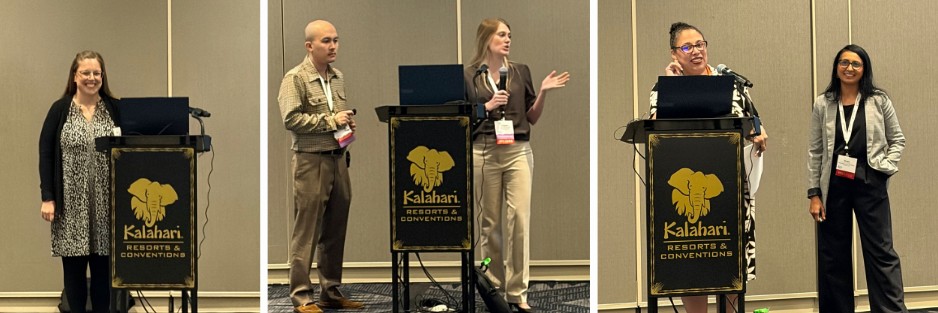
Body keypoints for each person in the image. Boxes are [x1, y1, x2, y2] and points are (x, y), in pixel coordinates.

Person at [649, 22, 767, 312]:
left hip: (732, 190)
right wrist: (672, 86)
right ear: (674, 53)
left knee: (729, 258)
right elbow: (654, 126)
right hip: (688, 199)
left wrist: (759, 133)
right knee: (693, 261)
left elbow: (754, 122)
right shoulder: (664, 87)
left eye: (700, 44)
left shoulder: (733, 84)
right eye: (687, 47)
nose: (696, 51)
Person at [464, 18, 570, 313]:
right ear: (487, 39)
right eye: (501, 35)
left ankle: (517, 291)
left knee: (519, 220)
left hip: (518, 151)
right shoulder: (470, 75)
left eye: (510, 35)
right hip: (483, 152)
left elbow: (531, 116)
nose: (508, 39)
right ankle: (493, 287)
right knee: (491, 225)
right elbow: (462, 116)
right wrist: (485, 107)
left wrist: (545, 91)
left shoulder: (520, 71)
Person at [807, 44, 908, 313]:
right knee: (833, 256)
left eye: (856, 64)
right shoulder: (823, 102)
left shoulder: (878, 100)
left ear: (864, 69)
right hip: (833, 188)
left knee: (881, 253)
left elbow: (897, 139)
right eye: (844, 62)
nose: (849, 68)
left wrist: (885, 166)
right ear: (836, 67)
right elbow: (816, 150)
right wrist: (814, 193)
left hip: (870, 184)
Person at [278, 20, 362, 313]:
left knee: (335, 229)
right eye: (326, 41)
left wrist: (346, 122)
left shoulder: (337, 77)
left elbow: (336, 115)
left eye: (336, 40)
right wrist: (330, 121)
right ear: (309, 46)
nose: (333, 46)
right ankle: (301, 296)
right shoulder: (295, 78)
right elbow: (290, 119)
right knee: (307, 232)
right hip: (310, 162)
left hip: (338, 158)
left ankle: (331, 291)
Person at [39, 50, 121, 313]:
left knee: (102, 279)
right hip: (70, 208)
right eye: (86, 72)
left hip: (106, 209)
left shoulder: (114, 109)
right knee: (73, 278)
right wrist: (47, 197)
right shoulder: (60, 109)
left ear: (102, 76)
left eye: (96, 73)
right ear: (75, 76)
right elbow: (45, 153)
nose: (92, 78)